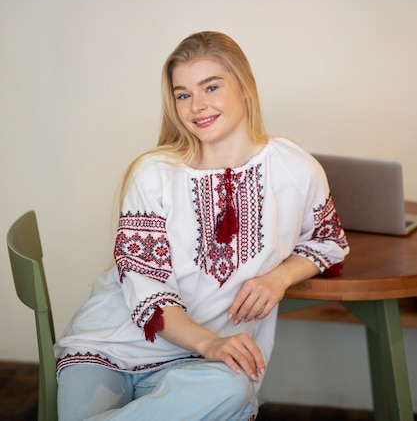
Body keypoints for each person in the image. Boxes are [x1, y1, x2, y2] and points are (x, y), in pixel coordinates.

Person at [55, 31, 349, 421]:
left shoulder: (296, 169)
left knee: (233, 388)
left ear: (244, 87)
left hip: (198, 367)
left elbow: (328, 242)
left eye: (211, 87)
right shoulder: (154, 173)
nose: (197, 105)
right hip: (110, 348)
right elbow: (147, 288)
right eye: (183, 94)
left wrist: (278, 278)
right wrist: (210, 342)